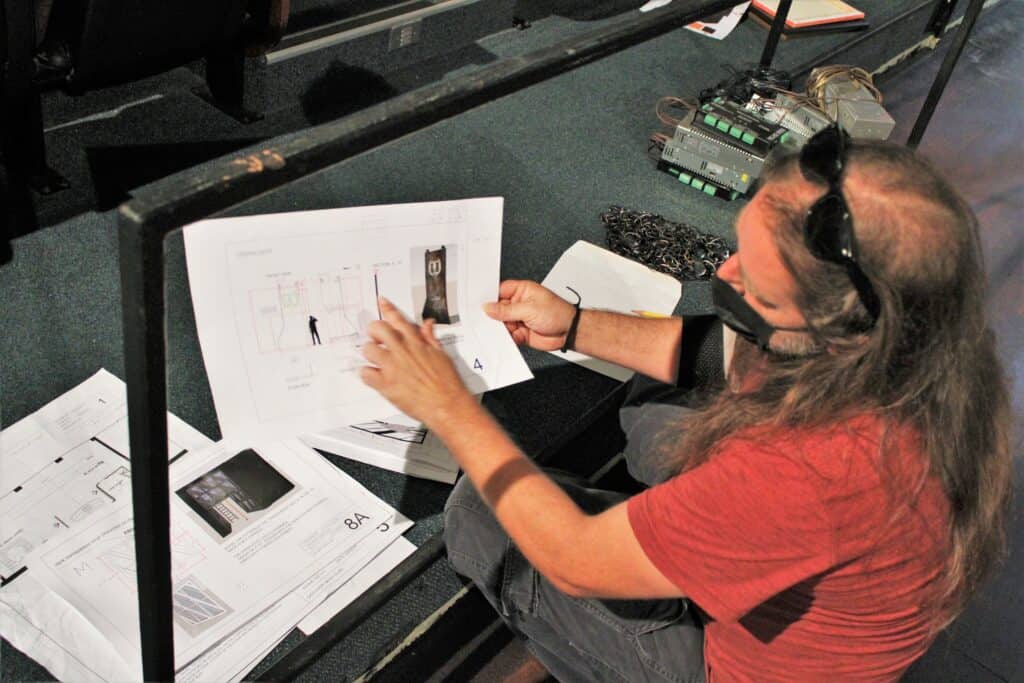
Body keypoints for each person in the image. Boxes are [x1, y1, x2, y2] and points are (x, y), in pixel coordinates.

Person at [358, 128, 1013, 682]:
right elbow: (716, 354)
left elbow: (574, 558)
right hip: (790, 558)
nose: (723, 274)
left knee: (476, 512)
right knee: (653, 414)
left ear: (837, 334)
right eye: (738, 249)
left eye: (755, 289)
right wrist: (574, 325)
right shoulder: (925, 345)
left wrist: (447, 405)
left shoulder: (826, 468)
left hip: (730, 666)